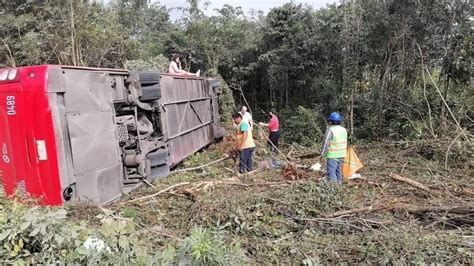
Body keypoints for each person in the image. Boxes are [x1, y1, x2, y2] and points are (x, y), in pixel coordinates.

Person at [320, 112, 348, 184]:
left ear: (331, 121)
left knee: (331, 172)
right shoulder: (344, 130)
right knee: (339, 171)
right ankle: (339, 186)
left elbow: (326, 143)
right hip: (342, 154)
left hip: (332, 154)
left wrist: (322, 154)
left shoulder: (330, 130)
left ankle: (334, 188)